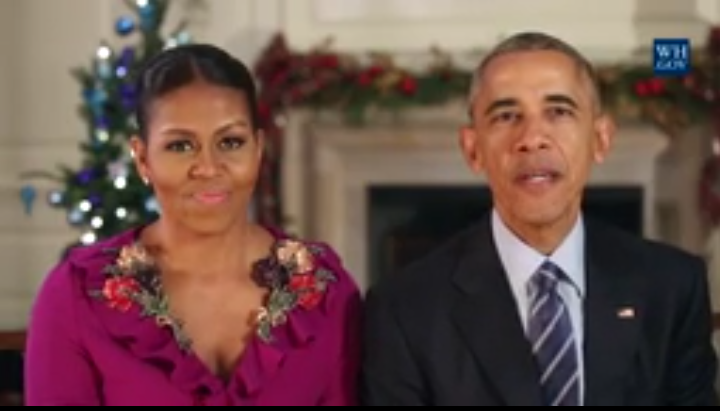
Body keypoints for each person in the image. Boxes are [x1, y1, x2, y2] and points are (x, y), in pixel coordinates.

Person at [360, 31, 719, 406]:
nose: (532, 138)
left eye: (559, 111)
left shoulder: (673, 287)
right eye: (507, 115)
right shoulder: (405, 309)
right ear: (473, 149)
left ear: (601, 138)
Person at [24, 44, 362, 406]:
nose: (208, 167)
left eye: (230, 142)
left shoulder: (325, 292)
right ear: (142, 158)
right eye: (181, 146)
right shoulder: (76, 297)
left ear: (258, 149)